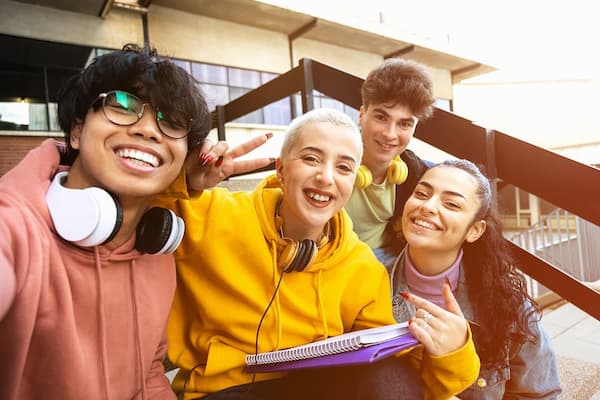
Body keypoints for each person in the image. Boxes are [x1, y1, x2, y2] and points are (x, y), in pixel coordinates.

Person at [154, 108, 481, 400]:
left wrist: (453, 352)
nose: (326, 177)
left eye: (343, 168)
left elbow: (398, 384)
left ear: (353, 181)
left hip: (311, 389)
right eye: (311, 159)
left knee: (391, 375)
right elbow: (125, 210)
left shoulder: (363, 268)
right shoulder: (210, 214)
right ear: (281, 169)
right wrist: (182, 181)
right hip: (222, 391)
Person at [0, 44, 213, 399]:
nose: (149, 130)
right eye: (122, 107)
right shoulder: (17, 228)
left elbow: (148, 375)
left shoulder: (156, 254)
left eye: (171, 122)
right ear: (77, 131)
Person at [388, 159, 562, 399]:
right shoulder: (371, 283)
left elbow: (540, 394)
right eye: (421, 193)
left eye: (451, 204)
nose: (428, 206)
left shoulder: (508, 305)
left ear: (475, 230)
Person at [345, 58, 435, 266]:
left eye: (404, 124)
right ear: (362, 115)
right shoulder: (330, 162)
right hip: (336, 261)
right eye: (381, 117)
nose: (390, 134)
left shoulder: (415, 172)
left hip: (389, 261)